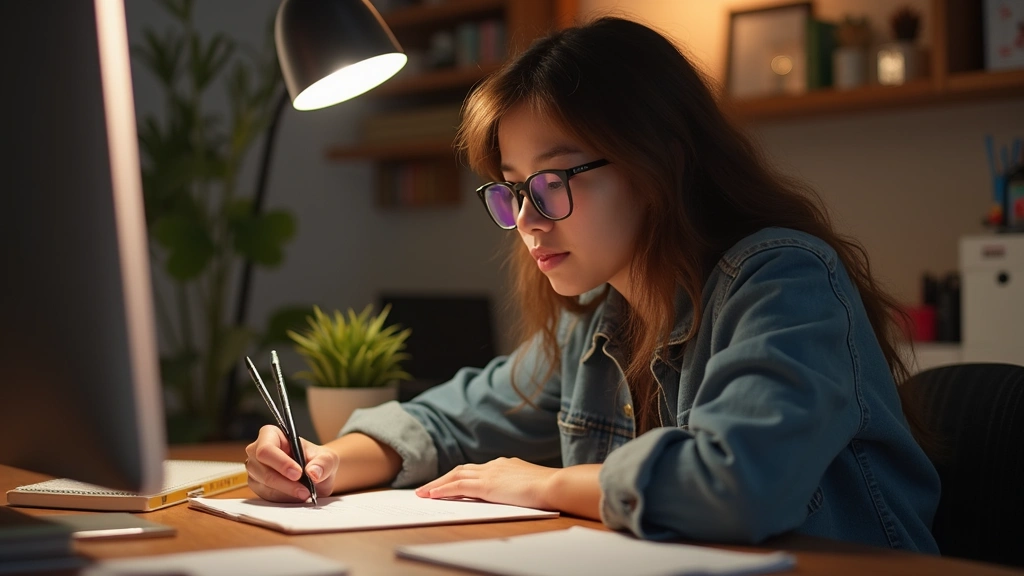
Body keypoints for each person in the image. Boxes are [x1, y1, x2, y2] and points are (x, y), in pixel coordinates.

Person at [246, 16, 940, 552]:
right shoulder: (600, 320)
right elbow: (447, 420)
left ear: (658, 161)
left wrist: (543, 484)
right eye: (513, 191)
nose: (526, 221)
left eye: (552, 183)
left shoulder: (783, 280)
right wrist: (325, 459)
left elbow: (737, 485)